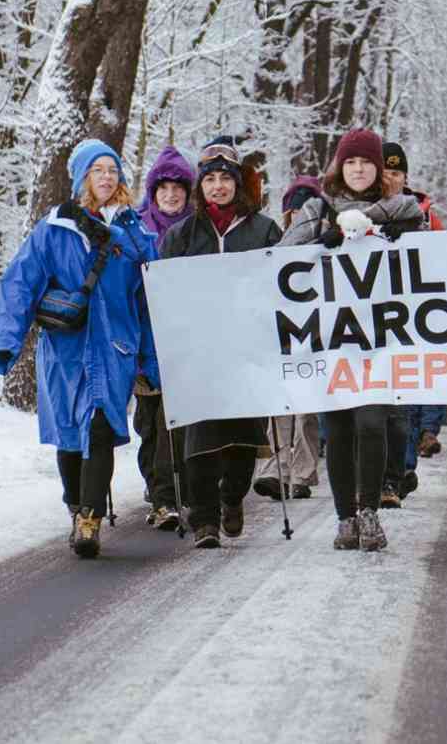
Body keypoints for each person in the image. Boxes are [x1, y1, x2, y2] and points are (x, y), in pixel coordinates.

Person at [0, 139, 159, 559]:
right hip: (65, 349)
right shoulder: (53, 230)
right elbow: (20, 283)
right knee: (68, 431)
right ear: (82, 177)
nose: (106, 176)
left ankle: (90, 519)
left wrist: (151, 360)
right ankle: (75, 504)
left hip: (115, 347)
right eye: (97, 169)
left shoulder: (135, 233)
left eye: (112, 170)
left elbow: (151, 300)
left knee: (100, 427)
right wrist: (6, 343)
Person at [278, 128, 424, 551]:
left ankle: (370, 511)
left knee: (372, 422)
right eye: (351, 162)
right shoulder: (317, 208)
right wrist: (321, 244)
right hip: (332, 337)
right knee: (338, 429)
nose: (358, 169)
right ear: (339, 167)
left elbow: (433, 268)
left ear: (378, 168)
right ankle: (345, 518)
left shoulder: (402, 210)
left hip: (382, 339)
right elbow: (282, 257)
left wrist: (399, 237)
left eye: (366, 162)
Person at [156, 136, 284, 548]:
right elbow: (163, 290)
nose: (217, 186)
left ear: (237, 183)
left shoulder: (264, 230)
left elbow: (283, 285)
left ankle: (233, 497)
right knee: (200, 434)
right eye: (209, 179)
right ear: (200, 186)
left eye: (224, 178)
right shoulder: (181, 234)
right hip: (200, 354)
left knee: (243, 435)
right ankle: (205, 519)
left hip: (249, 350)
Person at [251, 174, 328, 504]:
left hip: (317, 333)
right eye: (291, 213)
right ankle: (276, 467)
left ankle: (302, 472)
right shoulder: (277, 245)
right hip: (283, 333)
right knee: (281, 404)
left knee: (307, 408)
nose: (296, 219)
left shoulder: (326, 245)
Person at [133, 144, 196, 529]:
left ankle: (167, 497)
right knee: (149, 424)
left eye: (178, 188)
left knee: (175, 424)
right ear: (153, 192)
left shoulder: (198, 230)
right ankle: (157, 488)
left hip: (185, 342)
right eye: (163, 189)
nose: (171, 195)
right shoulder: (137, 229)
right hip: (145, 339)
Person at [381, 142, 444, 494]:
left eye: (396, 172)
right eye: (385, 172)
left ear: (405, 176)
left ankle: (403, 467)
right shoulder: (360, 211)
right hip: (374, 319)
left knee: (406, 396)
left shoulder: (425, 215)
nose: (390, 178)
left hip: (413, 317)